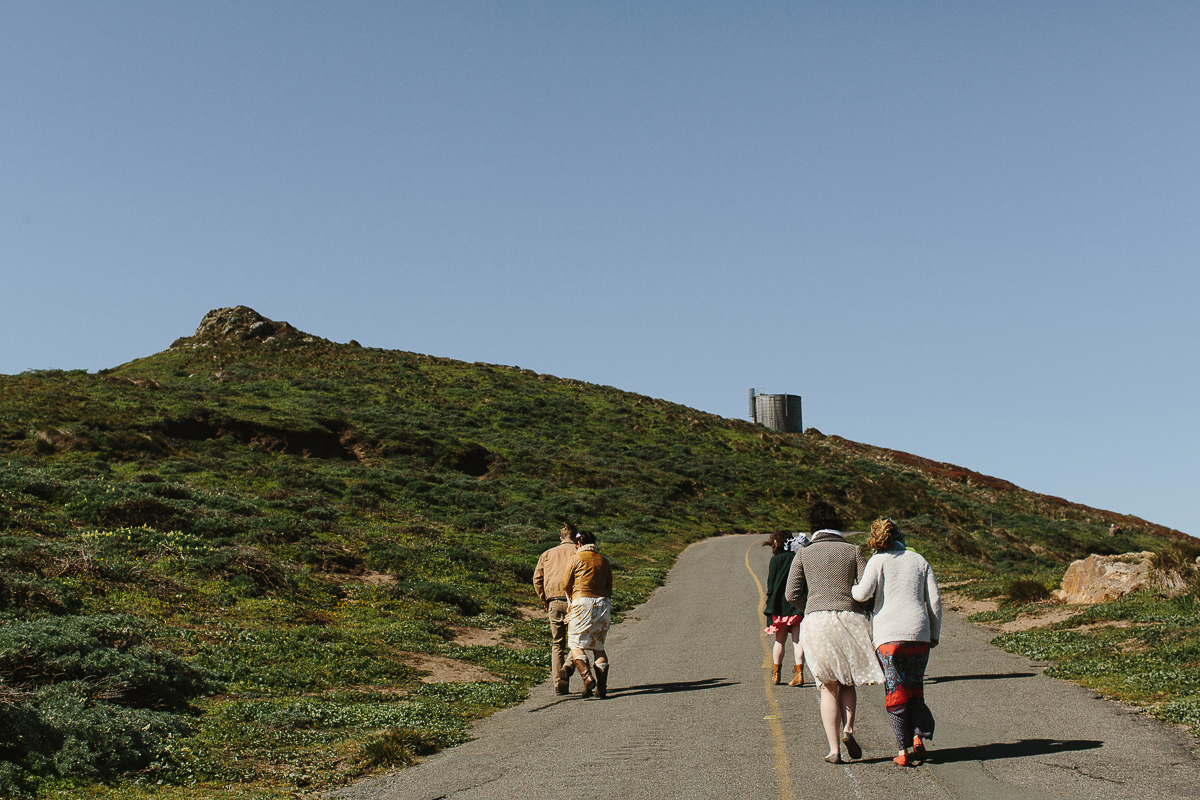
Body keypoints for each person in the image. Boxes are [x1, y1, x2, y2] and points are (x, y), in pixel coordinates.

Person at [785, 501, 883, 764]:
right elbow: (866, 588)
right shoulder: (853, 550)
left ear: (813, 526)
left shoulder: (804, 554)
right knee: (848, 681)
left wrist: (812, 606)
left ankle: (834, 750)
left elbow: (791, 593)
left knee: (828, 687)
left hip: (817, 621)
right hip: (849, 618)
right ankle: (849, 729)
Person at [852, 518, 942, 767]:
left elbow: (861, 594)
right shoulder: (919, 560)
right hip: (918, 633)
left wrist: (851, 587)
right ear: (901, 536)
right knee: (915, 686)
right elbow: (934, 601)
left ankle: (902, 750)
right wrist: (934, 633)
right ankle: (918, 735)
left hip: (889, 636)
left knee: (895, 688)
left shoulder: (877, 561)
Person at [559, 529, 613, 698]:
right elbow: (609, 586)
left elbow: (566, 582)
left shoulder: (575, 558)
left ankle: (587, 677)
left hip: (582, 601)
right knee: (599, 647)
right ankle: (602, 689)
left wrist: (572, 596)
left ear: (579, 543)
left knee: (575, 643)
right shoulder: (603, 561)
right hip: (602, 603)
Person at [533, 522, 581, 695]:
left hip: (554, 601)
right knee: (578, 641)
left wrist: (544, 600)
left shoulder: (547, 554)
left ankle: (557, 683)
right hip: (575, 602)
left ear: (560, 538)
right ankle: (567, 667)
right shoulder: (579, 552)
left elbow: (537, 579)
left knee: (557, 643)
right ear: (576, 537)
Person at [762, 531, 805, 686]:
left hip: (779, 607)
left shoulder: (775, 560)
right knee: (797, 640)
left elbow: (771, 586)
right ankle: (799, 673)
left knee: (779, 641)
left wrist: (769, 608)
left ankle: (776, 673)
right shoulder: (797, 558)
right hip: (796, 606)